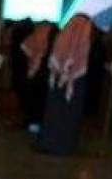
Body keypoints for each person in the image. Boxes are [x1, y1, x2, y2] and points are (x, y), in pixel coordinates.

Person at [39, 14, 105, 155]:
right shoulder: (85, 43)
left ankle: (53, 144)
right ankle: (60, 145)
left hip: (64, 83)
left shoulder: (63, 39)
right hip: (71, 84)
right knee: (64, 116)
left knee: (60, 115)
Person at [19, 20, 58, 134]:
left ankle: (32, 125)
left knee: (33, 101)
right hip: (45, 74)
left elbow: (25, 50)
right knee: (41, 102)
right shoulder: (53, 37)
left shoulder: (34, 37)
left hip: (36, 73)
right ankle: (38, 125)